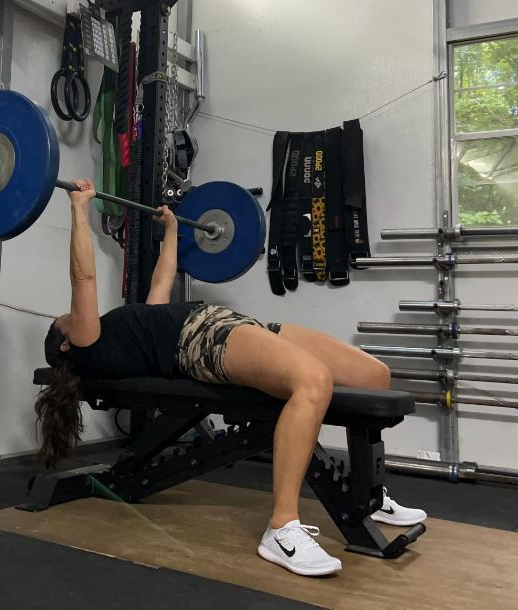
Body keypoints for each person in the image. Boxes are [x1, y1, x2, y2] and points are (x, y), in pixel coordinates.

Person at [36, 179, 426, 577]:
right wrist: (79, 208)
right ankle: (281, 528)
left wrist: (172, 230)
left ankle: (368, 498)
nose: (71, 315)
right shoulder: (86, 344)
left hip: (234, 325)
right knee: (313, 381)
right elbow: (82, 278)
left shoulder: (124, 335)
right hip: (201, 339)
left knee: (374, 375)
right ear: (65, 344)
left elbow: (160, 285)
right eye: (64, 320)